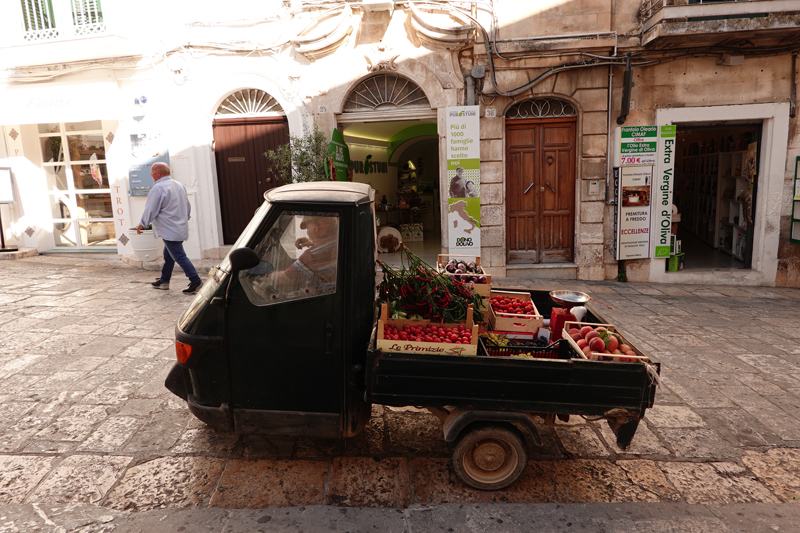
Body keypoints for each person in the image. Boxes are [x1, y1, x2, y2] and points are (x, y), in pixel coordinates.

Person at [136, 162, 203, 295]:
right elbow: (187, 205)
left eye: (152, 172)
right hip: (179, 226)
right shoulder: (179, 185)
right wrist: (185, 218)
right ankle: (164, 280)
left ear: (158, 173)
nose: (150, 174)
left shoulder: (158, 188)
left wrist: (142, 223)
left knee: (179, 256)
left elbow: (151, 208)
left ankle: (196, 281)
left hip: (169, 228)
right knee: (169, 255)